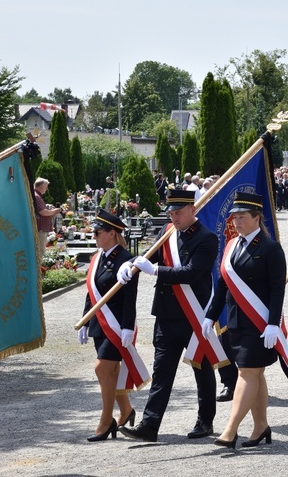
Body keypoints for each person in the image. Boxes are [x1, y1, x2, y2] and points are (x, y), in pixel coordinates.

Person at [116, 189, 221, 442]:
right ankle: (149, 425)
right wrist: (128, 263)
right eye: (171, 213)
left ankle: (205, 421)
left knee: (202, 368)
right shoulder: (167, 233)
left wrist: (153, 270)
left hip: (194, 315)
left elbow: (191, 272)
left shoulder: (207, 239)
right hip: (166, 314)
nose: (174, 218)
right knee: (162, 371)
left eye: (179, 213)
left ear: (192, 210)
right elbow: (148, 256)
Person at [201, 192, 288, 449]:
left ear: (256, 218)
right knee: (255, 374)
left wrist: (274, 323)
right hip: (237, 322)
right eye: (234, 217)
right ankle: (261, 426)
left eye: (242, 217)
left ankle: (230, 430)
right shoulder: (231, 246)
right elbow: (223, 285)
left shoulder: (270, 248)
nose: (236, 222)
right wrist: (210, 315)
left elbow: (277, 289)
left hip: (260, 324)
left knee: (248, 372)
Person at [78, 209, 144, 441]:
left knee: (101, 368)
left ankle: (106, 422)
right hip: (99, 324)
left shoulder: (126, 260)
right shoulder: (98, 258)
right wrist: (86, 319)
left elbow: (130, 297)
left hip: (117, 326)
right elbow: (91, 292)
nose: (94, 236)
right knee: (110, 373)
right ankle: (126, 410)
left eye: (97, 232)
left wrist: (127, 326)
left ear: (112, 234)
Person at [33, 177, 60, 258]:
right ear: (40, 186)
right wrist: (55, 211)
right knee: (40, 252)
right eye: (46, 186)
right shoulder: (37, 196)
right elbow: (43, 212)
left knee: (41, 251)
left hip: (41, 228)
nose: (47, 189)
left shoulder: (37, 196)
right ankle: (39, 269)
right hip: (40, 229)